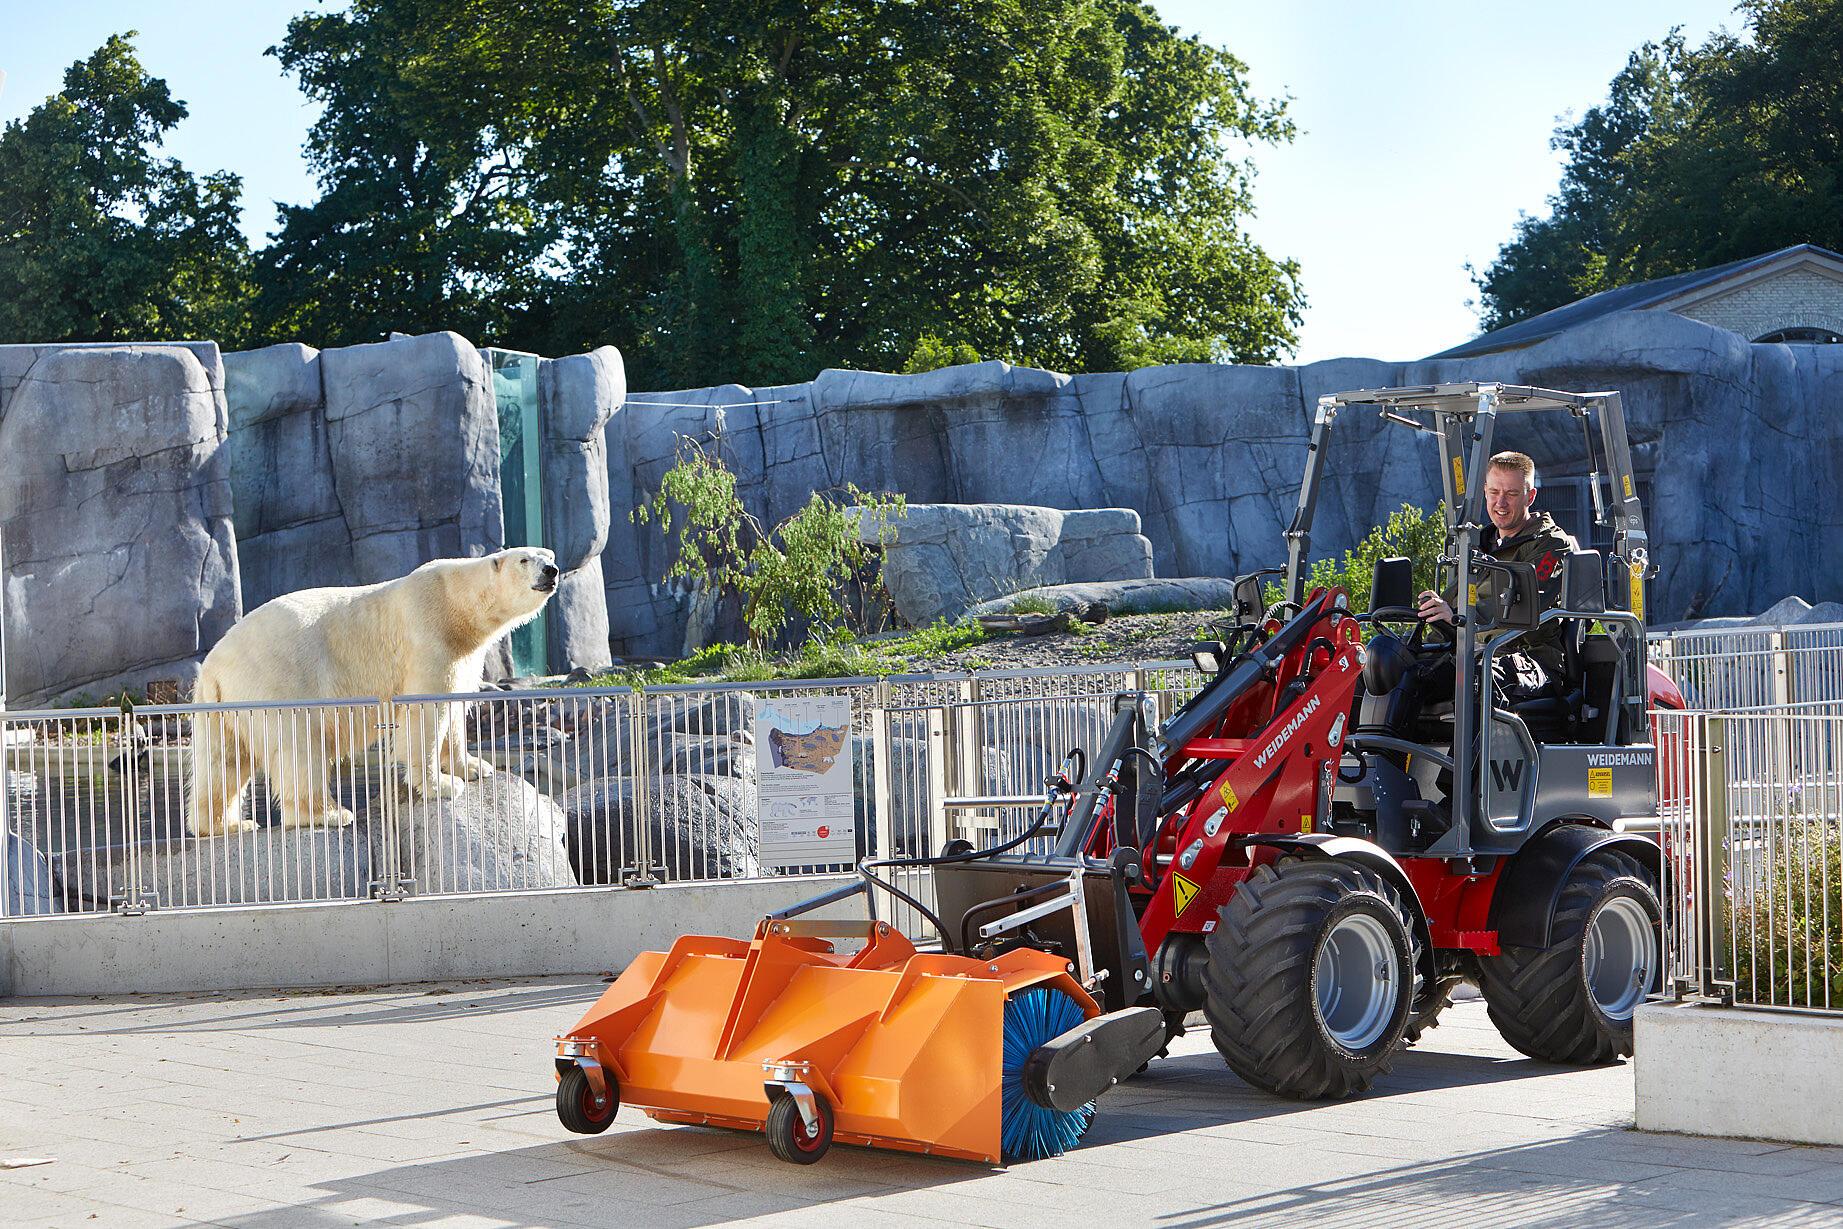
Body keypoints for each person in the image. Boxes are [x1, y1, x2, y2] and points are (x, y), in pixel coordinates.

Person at [1415, 450, 1579, 698]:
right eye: (1494, 492)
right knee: (1390, 670)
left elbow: (1520, 606)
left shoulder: (1552, 545)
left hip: (1530, 661)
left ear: (1530, 496)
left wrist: (1459, 619)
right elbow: (1452, 604)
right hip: (1474, 654)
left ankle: (1473, 738)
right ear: (1485, 491)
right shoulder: (1477, 545)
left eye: (1511, 494)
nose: (1500, 503)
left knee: (1478, 682)